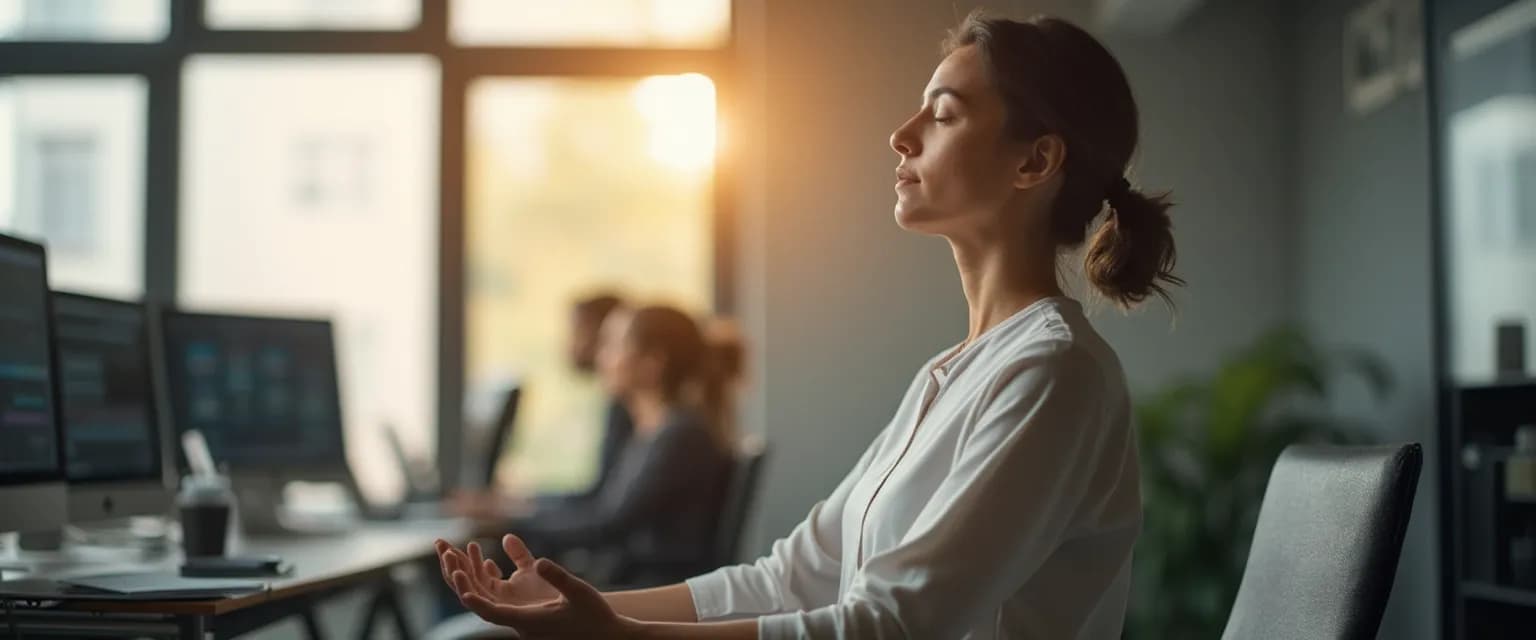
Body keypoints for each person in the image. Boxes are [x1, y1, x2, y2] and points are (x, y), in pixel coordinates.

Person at [434, 10, 1181, 639]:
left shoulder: (1055, 374)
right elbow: (791, 577)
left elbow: (896, 623)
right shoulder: (952, 373)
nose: (902, 133)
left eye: (944, 113)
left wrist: (623, 637)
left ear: (1035, 162)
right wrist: (581, 610)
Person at [449, 292, 635, 520]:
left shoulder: (631, 412)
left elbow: (603, 508)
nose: (568, 343)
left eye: (577, 330)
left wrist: (516, 514)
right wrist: (524, 502)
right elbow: (598, 494)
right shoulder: (620, 407)